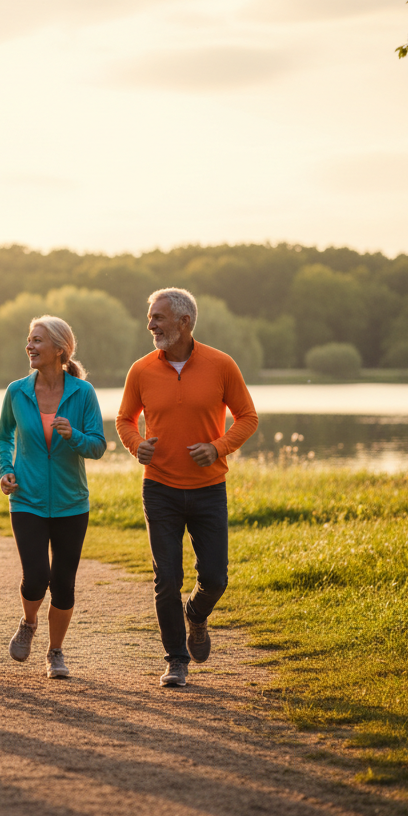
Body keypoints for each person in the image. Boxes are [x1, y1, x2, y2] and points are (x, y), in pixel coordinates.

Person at [116, 288, 258, 688]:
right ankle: (176, 660)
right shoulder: (141, 370)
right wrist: (135, 445)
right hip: (159, 488)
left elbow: (247, 417)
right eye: (150, 317)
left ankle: (196, 615)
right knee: (167, 578)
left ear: (185, 322)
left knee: (215, 577)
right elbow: (125, 419)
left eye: (158, 317)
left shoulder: (221, 365)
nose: (151, 324)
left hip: (209, 488)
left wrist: (218, 448)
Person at [0, 316, 106, 679]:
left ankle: (55, 652)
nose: (29, 346)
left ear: (60, 349)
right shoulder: (17, 391)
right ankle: (28, 623)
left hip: (72, 503)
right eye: (29, 340)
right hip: (26, 498)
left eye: (37, 340)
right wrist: (4, 469)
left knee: (63, 582)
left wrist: (73, 435)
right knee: (35, 576)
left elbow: (98, 446)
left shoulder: (82, 393)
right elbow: (3, 436)